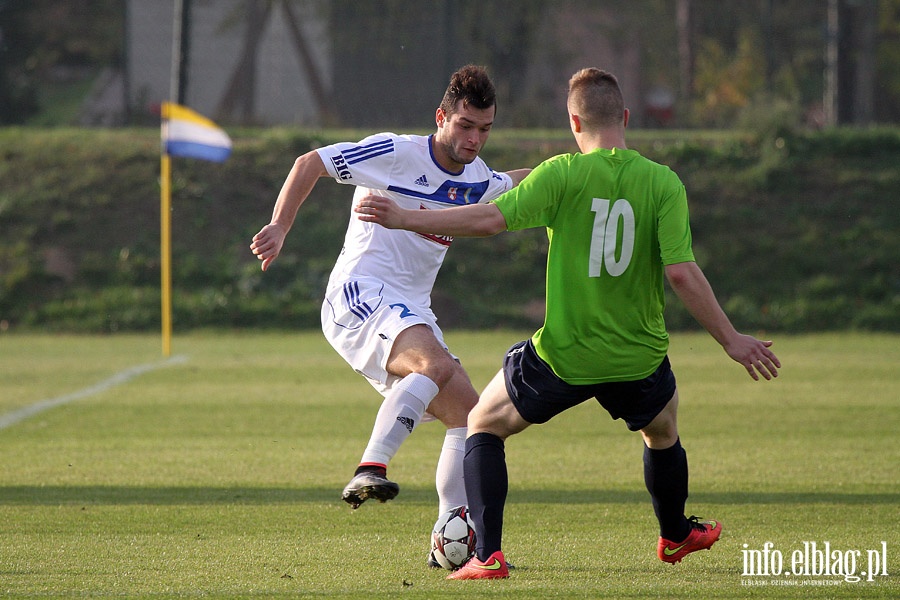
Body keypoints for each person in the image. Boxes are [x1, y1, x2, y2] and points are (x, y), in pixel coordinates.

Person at [354, 67, 781, 580]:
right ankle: (674, 534)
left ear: (574, 122)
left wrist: (407, 217)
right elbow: (682, 273)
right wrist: (731, 340)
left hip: (564, 354)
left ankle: (487, 556)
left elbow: (488, 220)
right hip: (637, 355)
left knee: (483, 426)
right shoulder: (663, 182)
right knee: (663, 428)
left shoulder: (561, 173)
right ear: (624, 118)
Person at [250, 65, 531, 538]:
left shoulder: (479, 179)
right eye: (465, 125)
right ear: (441, 116)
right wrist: (280, 225)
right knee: (434, 365)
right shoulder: (397, 152)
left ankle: (450, 533)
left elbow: (518, 180)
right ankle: (371, 467)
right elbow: (310, 162)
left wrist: (575, 169)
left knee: (472, 416)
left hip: (410, 309)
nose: (474, 139)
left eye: (484, 129)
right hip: (359, 292)